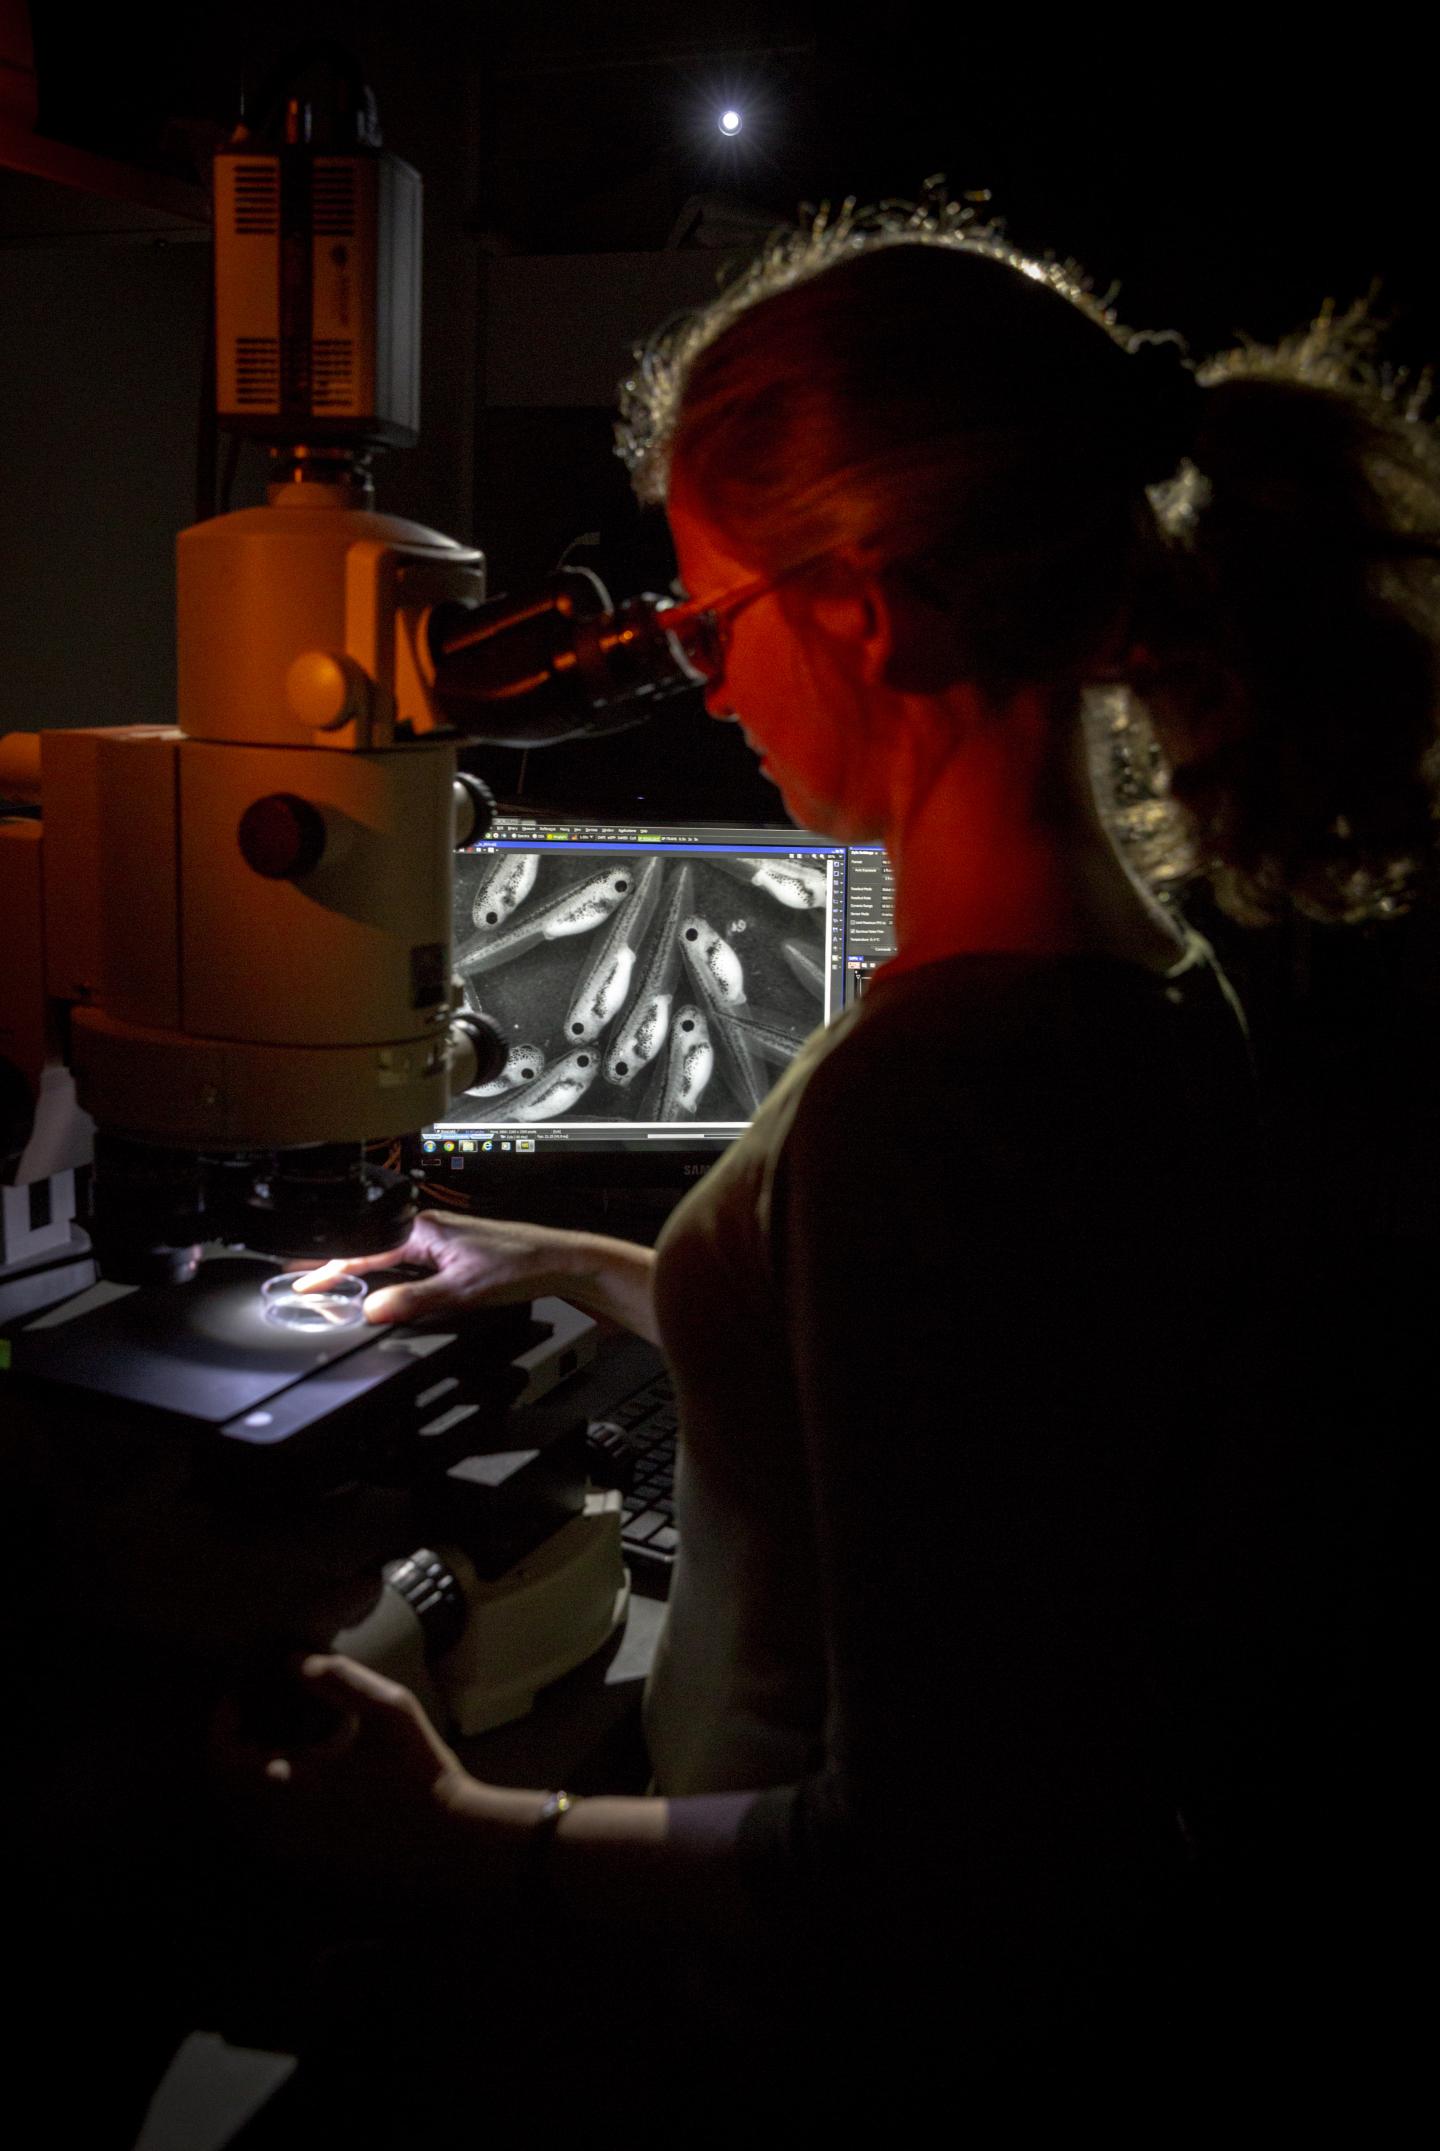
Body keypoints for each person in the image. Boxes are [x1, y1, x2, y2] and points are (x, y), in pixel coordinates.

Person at [212, 191, 1440, 2133]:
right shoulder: (1137, 980)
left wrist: (454, 1823)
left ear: (864, 607)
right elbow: (942, 1397)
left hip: (794, 2036)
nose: (699, 680)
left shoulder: (938, 1088)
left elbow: (929, 1868)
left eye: (710, 618)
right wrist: (562, 1258)